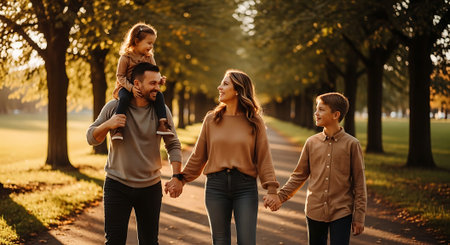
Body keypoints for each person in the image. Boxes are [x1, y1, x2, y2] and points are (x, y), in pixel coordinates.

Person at [165, 69, 280, 245]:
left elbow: (264, 157)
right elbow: (198, 156)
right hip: (216, 187)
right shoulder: (211, 119)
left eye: (225, 84)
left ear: (238, 90)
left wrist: (271, 189)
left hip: (245, 187)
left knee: (247, 241)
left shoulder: (254, 121)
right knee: (220, 241)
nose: (219, 87)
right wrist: (180, 178)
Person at [87, 62, 183, 244]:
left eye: (158, 82)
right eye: (152, 83)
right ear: (137, 84)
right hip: (117, 186)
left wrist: (177, 176)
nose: (158, 87)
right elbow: (91, 138)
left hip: (150, 187)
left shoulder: (162, 112)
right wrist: (109, 124)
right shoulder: (114, 107)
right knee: (114, 241)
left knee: (149, 242)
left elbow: (173, 144)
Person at [264, 92, 367, 245]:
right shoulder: (311, 143)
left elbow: (359, 183)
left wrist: (359, 216)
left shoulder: (352, 144)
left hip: (341, 211)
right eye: (316, 109)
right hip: (314, 211)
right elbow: (299, 175)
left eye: (321, 109)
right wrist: (280, 197)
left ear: (335, 114)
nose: (316, 113)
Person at [111, 22, 173, 140]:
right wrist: (131, 88)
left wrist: (159, 80)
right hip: (126, 87)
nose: (151, 47)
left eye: (152, 44)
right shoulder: (126, 57)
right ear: (136, 41)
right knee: (124, 98)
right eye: (149, 43)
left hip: (144, 87)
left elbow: (154, 72)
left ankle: (162, 124)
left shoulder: (149, 57)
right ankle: (118, 128)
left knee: (159, 96)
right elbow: (120, 76)